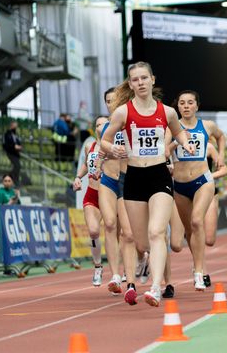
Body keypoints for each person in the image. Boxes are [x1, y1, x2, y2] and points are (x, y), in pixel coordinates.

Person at [100, 61, 195, 307]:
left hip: (158, 176)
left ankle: (155, 288)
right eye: (135, 79)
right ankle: (146, 262)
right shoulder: (122, 112)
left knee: (157, 232)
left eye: (144, 78)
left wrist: (186, 143)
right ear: (130, 84)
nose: (140, 83)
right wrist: (113, 148)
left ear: (152, 80)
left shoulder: (167, 112)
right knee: (141, 243)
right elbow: (105, 141)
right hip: (134, 179)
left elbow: (178, 131)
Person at [170, 90, 226, 290]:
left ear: (196, 106)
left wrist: (221, 157)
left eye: (190, 102)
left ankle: (199, 272)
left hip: (203, 180)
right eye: (182, 103)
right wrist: (178, 141)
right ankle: (199, 265)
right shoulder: (171, 127)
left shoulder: (207, 126)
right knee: (188, 231)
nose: (186, 106)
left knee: (196, 221)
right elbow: (163, 150)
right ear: (178, 107)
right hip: (180, 184)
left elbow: (221, 137)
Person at [97, 87, 140, 305]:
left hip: (126, 179)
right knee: (110, 225)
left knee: (129, 233)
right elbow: (99, 152)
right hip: (107, 180)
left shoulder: (131, 122)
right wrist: (95, 167)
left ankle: (132, 274)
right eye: (107, 101)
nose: (110, 104)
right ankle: (115, 275)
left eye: (114, 100)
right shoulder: (104, 127)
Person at [72, 116, 108, 288]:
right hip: (92, 194)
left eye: (104, 124)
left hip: (110, 195)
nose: (101, 127)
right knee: (93, 231)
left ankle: (124, 271)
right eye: (98, 124)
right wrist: (78, 177)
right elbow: (87, 165)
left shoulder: (116, 147)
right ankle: (98, 266)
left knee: (121, 235)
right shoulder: (90, 146)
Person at [204, 141, 227, 248]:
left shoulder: (208, 147)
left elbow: (224, 170)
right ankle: (198, 264)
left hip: (207, 190)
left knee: (210, 240)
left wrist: (208, 176)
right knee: (178, 242)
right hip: (185, 192)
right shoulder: (177, 144)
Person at [2, 121, 22, 187]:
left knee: (18, 167)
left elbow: (18, 143)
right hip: (11, 152)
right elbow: (7, 144)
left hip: (16, 153)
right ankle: (10, 178)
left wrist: (19, 146)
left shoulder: (15, 134)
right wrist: (14, 146)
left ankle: (14, 180)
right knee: (17, 166)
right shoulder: (7, 134)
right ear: (11, 125)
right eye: (15, 126)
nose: (16, 127)